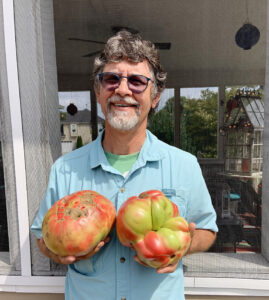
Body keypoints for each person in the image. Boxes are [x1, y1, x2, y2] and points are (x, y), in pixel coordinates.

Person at [31, 30, 218, 300]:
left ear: (155, 97)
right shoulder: (65, 168)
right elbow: (42, 237)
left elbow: (207, 230)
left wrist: (182, 245)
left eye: (137, 81)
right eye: (111, 79)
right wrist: (59, 251)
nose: (122, 89)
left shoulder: (184, 165)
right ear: (98, 92)